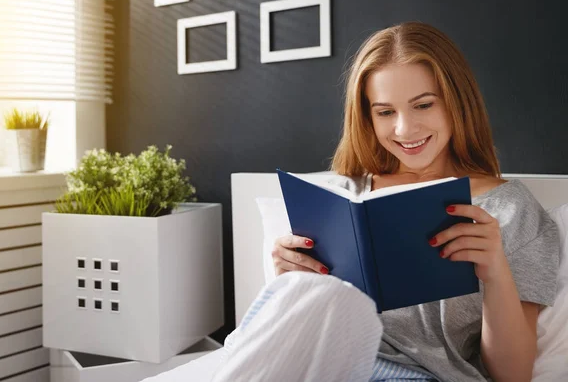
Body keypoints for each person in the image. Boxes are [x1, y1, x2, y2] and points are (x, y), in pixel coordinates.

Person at [211, 21, 560, 382]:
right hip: (315, 356)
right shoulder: (343, 193)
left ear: (458, 102)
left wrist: (496, 272)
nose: (405, 129)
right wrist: (286, 275)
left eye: (423, 105)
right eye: (385, 112)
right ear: (367, 116)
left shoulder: (510, 210)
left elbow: (513, 375)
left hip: (413, 374)